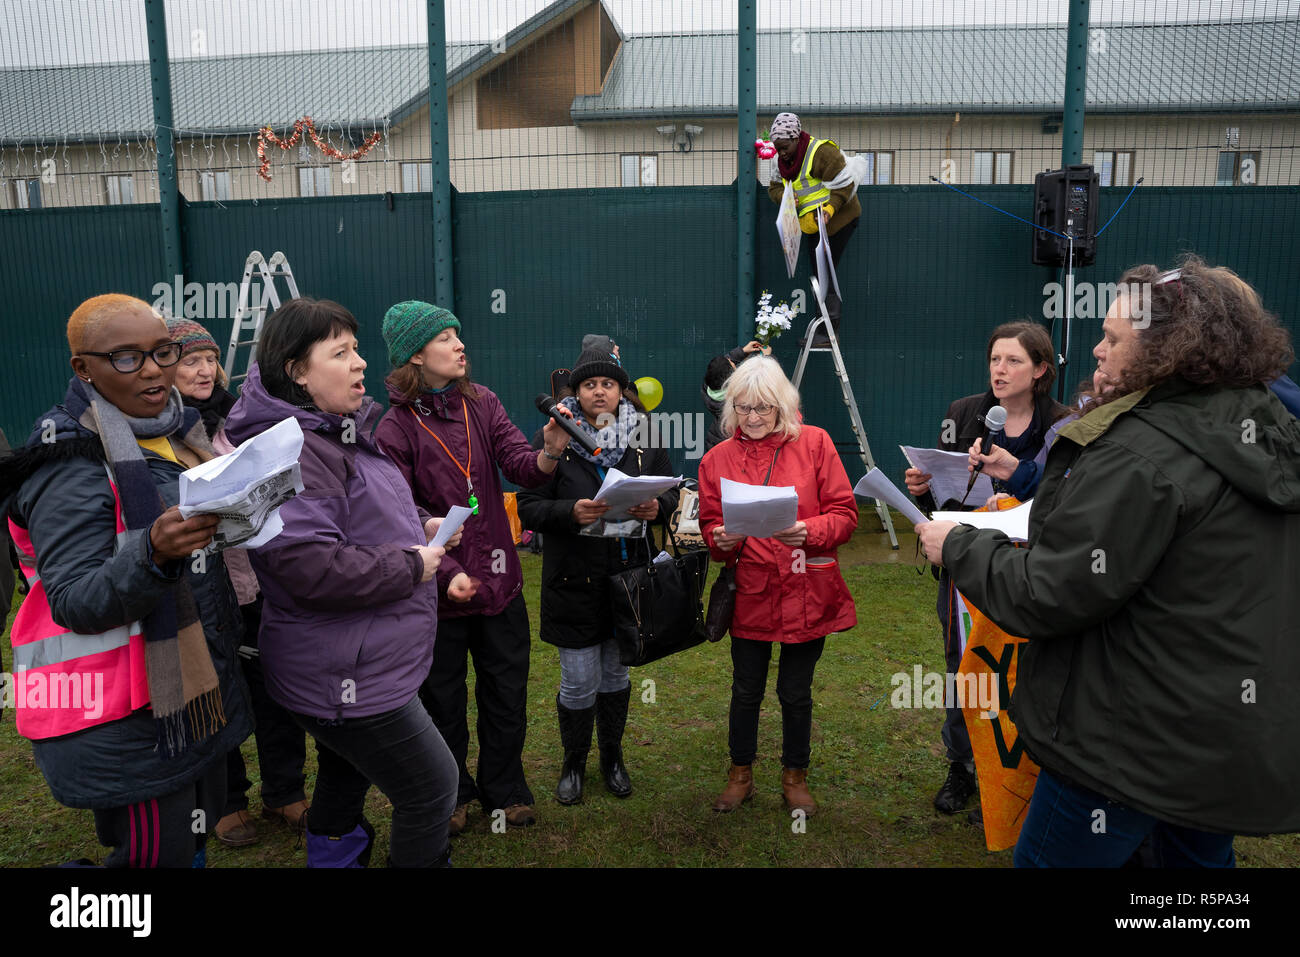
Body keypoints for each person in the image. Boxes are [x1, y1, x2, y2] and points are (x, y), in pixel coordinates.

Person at [917, 256, 1300, 866]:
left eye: (1114, 339)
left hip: (1128, 740)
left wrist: (959, 544)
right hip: (1218, 734)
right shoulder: (1263, 428)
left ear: (1167, 351)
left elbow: (1051, 591)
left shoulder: (1143, 453)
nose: (1096, 350)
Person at [0, 294, 252, 867]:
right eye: (126, 357)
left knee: (187, 846)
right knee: (147, 863)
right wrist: (154, 554)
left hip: (183, 698)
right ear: (83, 369)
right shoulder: (69, 464)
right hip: (117, 715)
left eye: (162, 351)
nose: (154, 369)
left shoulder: (178, 430)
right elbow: (74, 601)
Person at [222, 297, 458, 867]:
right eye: (341, 352)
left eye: (356, 349)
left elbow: (348, 521)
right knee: (431, 788)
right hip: (344, 672)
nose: (359, 364)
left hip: (348, 661)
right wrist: (412, 564)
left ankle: (333, 856)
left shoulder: (332, 431)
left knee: (347, 770)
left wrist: (415, 526)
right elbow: (307, 566)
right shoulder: (295, 447)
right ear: (298, 371)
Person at [373, 300, 572, 834]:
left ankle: (505, 790)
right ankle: (453, 792)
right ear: (415, 355)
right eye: (445, 337)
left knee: (506, 694)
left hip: (499, 584)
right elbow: (395, 515)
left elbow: (523, 469)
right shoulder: (394, 428)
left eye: (459, 335)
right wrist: (444, 574)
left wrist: (550, 451)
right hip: (433, 593)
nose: (460, 345)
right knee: (442, 701)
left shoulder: (482, 402)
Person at [903, 321, 1068, 819]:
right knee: (964, 669)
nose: (1000, 370)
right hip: (964, 568)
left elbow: (1064, 499)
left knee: (1020, 673)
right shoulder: (964, 413)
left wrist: (1015, 488)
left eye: (1013, 360)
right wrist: (923, 488)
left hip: (1026, 569)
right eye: (995, 359)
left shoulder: (1062, 425)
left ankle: (1015, 777)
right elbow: (949, 497)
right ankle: (963, 769)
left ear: (1040, 369)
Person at [165, 317, 311, 848]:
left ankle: (285, 789)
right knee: (215, 690)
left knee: (278, 686)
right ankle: (228, 802)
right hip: (202, 587)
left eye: (208, 359)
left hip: (257, 578)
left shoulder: (240, 415)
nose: (204, 370)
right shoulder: (163, 430)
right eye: (190, 362)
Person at [516, 347, 679, 805]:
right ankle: (573, 762)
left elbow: (669, 491)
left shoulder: (645, 439)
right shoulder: (556, 441)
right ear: (577, 393)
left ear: (620, 391)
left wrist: (656, 507)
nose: (599, 391)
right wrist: (571, 512)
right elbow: (528, 504)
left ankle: (612, 756)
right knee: (577, 680)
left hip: (629, 580)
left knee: (616, 676)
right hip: (574, 581)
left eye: (608, 383)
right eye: (590, 385)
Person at [697, 356, 857, 815]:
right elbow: (711, 526)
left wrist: (810, 530)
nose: (752, 418)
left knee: (795, 690)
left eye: (762, 408)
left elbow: (845, 515)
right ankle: (740, 774)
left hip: (807, 588)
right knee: (745, 689)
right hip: (750, 592)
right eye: (743, 409)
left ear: (782, 405)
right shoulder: (718, 459)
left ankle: (795, 776)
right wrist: (720, 539)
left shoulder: (816, 444)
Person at [767, 111, 863, 345]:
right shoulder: (779, 161)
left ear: (797, 138)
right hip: (812, 224)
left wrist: (830, 210)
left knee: (825, 273)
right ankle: (824, 328)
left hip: (839, 219)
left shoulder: (821, 152)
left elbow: (845, 186)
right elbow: (773, 189)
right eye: (777, 148)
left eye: (785, 147)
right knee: (820, 276)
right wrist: (787, 198)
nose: (781, 153)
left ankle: (828, 333)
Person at [703, 340, 771, 453]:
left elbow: (719, 369)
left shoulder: (707, 389)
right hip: (733, 448)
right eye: (731, 363)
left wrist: (743, 351)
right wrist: (768, 358)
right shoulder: (739, 398)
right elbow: (767, 382)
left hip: (714, 442)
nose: (731, 360)